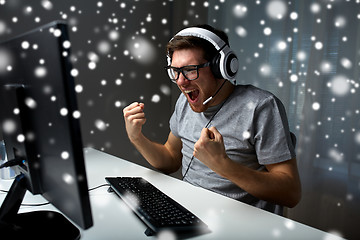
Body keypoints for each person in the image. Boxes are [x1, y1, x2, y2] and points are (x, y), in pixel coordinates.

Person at [123, 24, 301, 215]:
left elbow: (290, 193)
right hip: (187, 214)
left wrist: (223, 165)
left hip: (237, 224)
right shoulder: (184, 102)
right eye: (175, 71)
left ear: (222, 67)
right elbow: (170, 159)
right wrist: (137, 137)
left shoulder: (261, 107)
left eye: (190, 70)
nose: (181, 81)